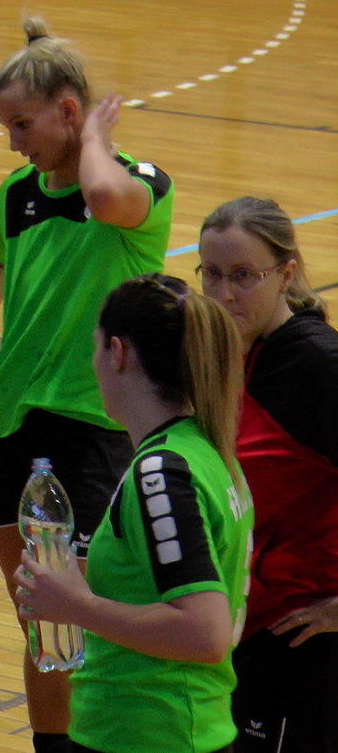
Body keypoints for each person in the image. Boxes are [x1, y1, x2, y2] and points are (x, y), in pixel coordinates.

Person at [0, 18, 174, 753]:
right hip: (5, 421)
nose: (12, 142)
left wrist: (94, 139)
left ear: (67, 110)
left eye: (22, 124)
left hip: (88, 424)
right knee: (39, 619)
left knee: (76, 614)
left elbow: (106, 198)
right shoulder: (16, 193)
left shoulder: (140, 183)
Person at [14, 275, 252, 753]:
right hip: (175, 728)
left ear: (118, 354)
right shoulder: (202, 450)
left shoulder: (162, 473)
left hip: (152, 735)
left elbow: (204, 632)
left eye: (95, 347)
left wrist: (77, 606)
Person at [197, 197, 338, 753]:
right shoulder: (227, 353)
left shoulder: (318, 366)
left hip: (303, 641)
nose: (225, 293)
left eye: (243, 276)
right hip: (243, 630)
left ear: (285, 273)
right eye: (212, 274)